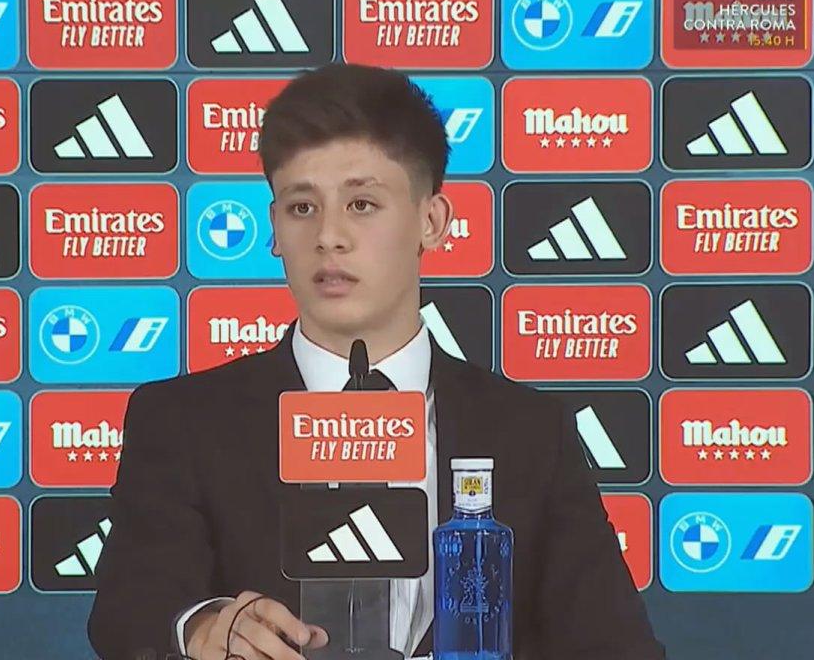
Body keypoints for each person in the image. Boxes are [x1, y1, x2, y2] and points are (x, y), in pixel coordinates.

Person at [87, 63, 666, 660]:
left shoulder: (529, 430)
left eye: (361, 204)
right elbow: (130, 613)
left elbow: (617, 645)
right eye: (302, 208)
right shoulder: (181, 419)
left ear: (431, 222)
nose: (329, 236)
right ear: (274, 229)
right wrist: (202, 627)